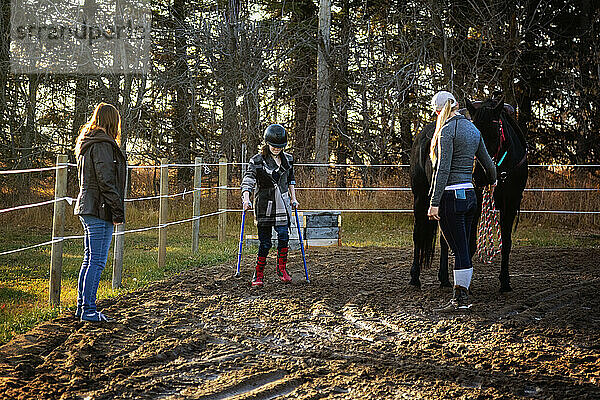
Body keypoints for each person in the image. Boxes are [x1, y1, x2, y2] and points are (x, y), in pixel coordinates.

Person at [427, 91, 496, 312]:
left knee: (459, 251)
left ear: (439, 112)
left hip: (451, 198)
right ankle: (461, 296)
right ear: (456, 105)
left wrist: (434, 202)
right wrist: (493, 181)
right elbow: (488, 163)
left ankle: (460, 300)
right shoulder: (473, 129)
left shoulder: (447, 131)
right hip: (470, 197)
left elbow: (442, 169)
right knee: (463, 248)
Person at [73, 103, 127, 322]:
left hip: (88, 205)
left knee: (89, 259)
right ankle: (88, 309)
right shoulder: (103, 145)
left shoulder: (88, 143)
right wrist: (117, 211)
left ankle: (82, 306)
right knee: (96, 261)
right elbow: (106, 180)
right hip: (99, 208)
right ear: (112, 121)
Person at [241, 124, 299, 287]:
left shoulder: (288, 159)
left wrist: (293, 198)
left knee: (283, 236)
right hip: (264, 204)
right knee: (265, 242)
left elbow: (290, 180)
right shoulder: (257, 160)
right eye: (273, 146)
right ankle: (258, 273)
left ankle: (282, 269)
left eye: (279, 146)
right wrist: (246, 198)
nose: (276, 149)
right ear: (267, 143)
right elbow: (249, 179)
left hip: (282, 202)